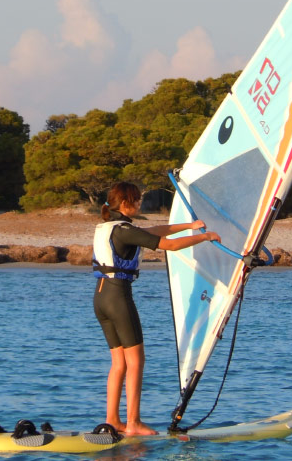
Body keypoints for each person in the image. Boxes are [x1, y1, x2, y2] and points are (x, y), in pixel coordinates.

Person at [92, 181, 220, 436]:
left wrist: (189, 226)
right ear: (126, 203)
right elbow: (169, 245)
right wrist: (204, 237)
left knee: (119, 362)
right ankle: (133, 422)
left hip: (100, 298)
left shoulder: (111, 228)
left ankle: (113, 420)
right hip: (118, 297)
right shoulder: (124, 230)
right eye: (137, 199)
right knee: (136, 360)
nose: (140, 203)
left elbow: (156, 230)